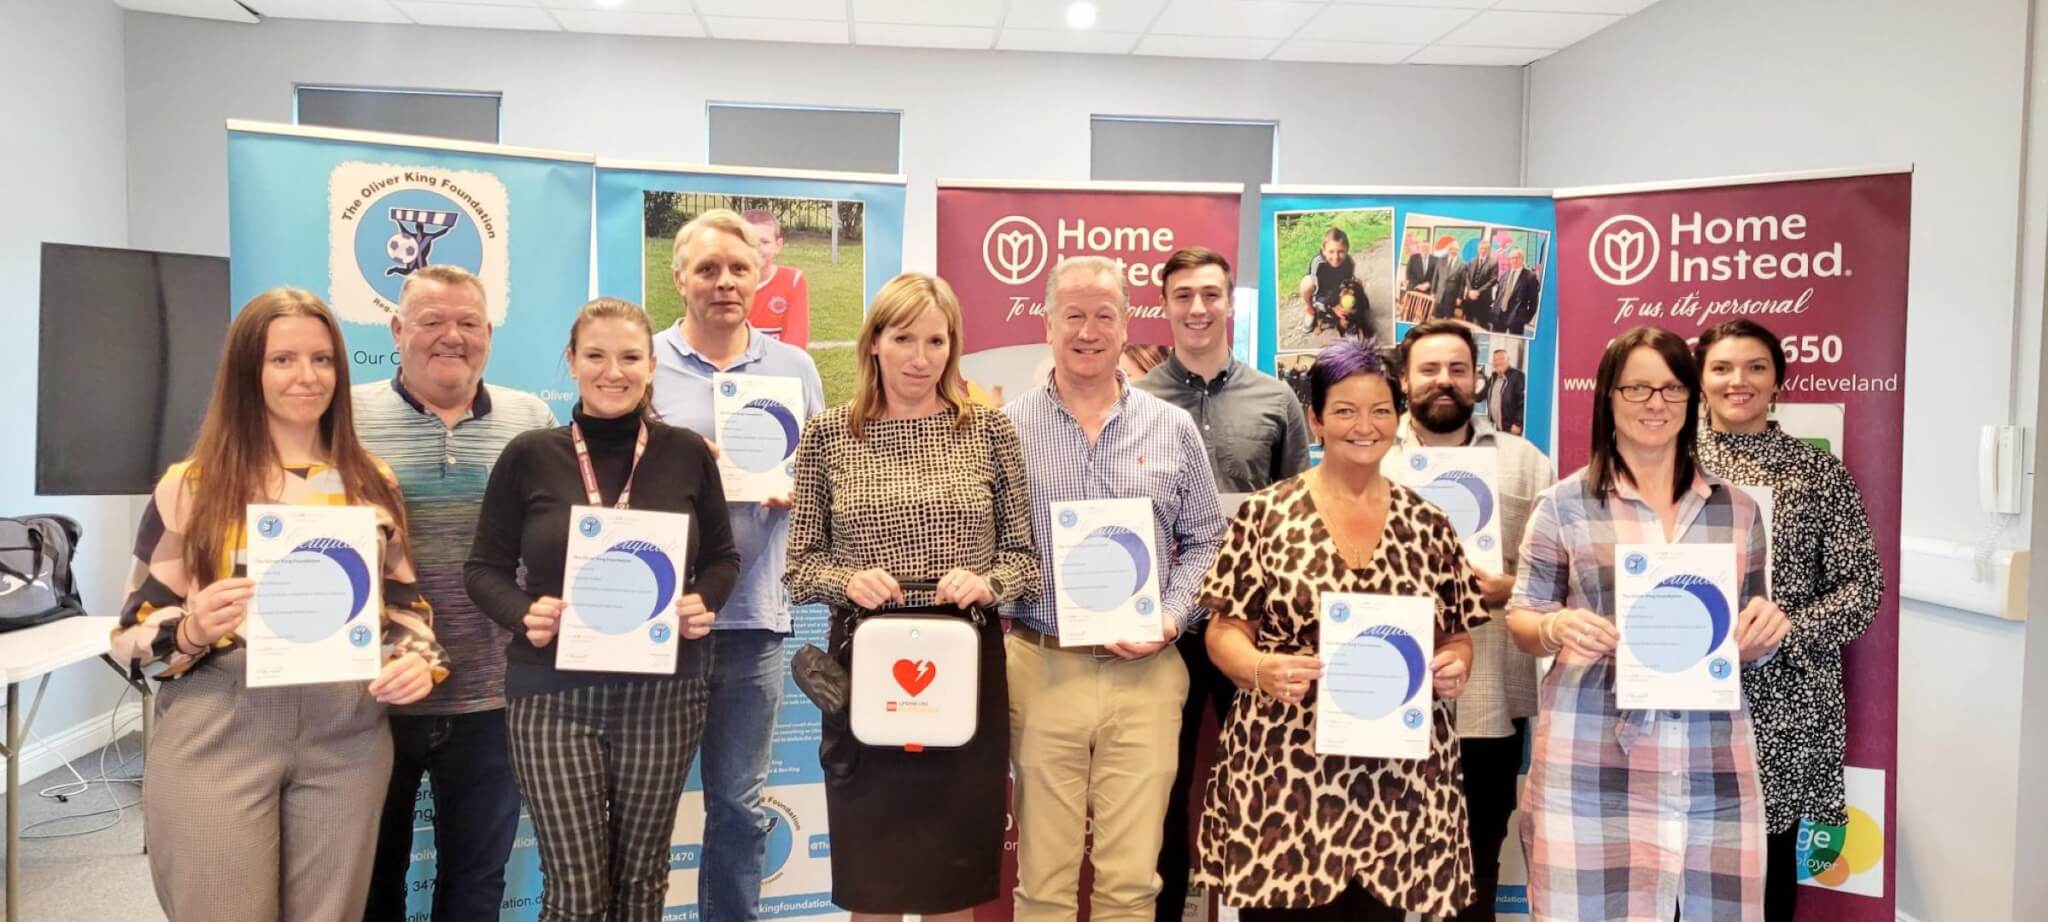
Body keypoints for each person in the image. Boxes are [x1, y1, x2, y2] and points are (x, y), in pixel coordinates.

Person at [111, 287, 446, 921]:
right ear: (248, 371)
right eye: (283, 360)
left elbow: (406, 609)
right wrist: (189, 629)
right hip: (220, 728)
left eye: (322, 360)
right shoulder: (192, 487)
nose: (307, 377)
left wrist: (418, 660)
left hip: (346, 734)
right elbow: (130, 637)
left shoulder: (372, 483)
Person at [465, 297, 740, 922]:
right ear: (571, 361)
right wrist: (522, 612)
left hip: (664, 695)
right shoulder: (531, 454)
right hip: (552, 695)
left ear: (651, 366)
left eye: (629, 357)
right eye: (595, 355)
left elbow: (723, 557)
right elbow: (482, 570)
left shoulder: (686, 454)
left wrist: (706, 601)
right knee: (578, 893)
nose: (612, 371)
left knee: (642, 883)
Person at [1505, 326, 1792, 922]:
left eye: (1670, 389)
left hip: (1708, 759)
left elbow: (1749, 626)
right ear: (1608, 397)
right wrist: (1558, 628)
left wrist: (1764, 630)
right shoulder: (1562, 504)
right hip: (1593, 757)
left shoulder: (1738, 509)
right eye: (1636, 388)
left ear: (1692, 400)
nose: (1655, 404)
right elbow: (1523, 618)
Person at [1194, 336, 1481, 921]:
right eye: (1345, 410)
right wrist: (1259, 668)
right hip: (1285, 775)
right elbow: (1222, 631)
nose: (1364, 425)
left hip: (1399, 785)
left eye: (1380, 410)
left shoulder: (1429, 524)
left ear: (1397, 417)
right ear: (1316, 419)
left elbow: (1455, 635)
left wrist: (1457, 663)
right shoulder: (1266, 515)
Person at [784, 272, 1041, 920]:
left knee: (950, 878)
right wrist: (846, 580)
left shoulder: (989, 431)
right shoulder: (827, 435)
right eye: (904, 338)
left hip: (966, 662)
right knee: (876, 878)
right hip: (865, 667)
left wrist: (987, 582)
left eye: (937, 340)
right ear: (874, 343)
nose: (921, 358)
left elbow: (1025, 561)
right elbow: (798, 567)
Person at [1005, 256, 1227, 922]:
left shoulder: (1171, 427)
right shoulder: (1005, 430)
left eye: (1105, 314)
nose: (1089, 330)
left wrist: (1169, 616)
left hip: (1147, 676)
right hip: (1042, 664)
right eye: (1073, 314)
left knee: (1131, 886)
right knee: (1042, 884)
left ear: (1127, 324)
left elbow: (1208, 540)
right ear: (1047, 325)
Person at [359, 266, 558, 922]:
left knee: (476, 882)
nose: (452, 336)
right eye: (431, 321)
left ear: (490, 335)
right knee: (370, 880)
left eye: (468, 322)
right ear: (396, 330)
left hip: (493, 696)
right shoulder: (346, 418)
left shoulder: (531, 419)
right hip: (372, 694)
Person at [653, 209, 826, 922]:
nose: (724, 283)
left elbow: (821, 477)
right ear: (679, 279)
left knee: (738, 805)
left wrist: (798, 494)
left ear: (761, 276)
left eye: (738, 269)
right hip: (656, 623)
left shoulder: (795, 368)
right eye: (707, 270)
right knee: (644, 803)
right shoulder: (645, 362)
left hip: (753, 617)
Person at [1133, 246, 1311, 922]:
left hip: (1257, 630)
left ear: (1229, 303)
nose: (1198, 308)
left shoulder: (1276, 400)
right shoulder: (1136, 402)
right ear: (1166, 306)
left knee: (1263, 784)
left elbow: (1301, 514)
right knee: (1162, 788)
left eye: (1210, 294)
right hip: (1162, 626)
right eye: (1183, 296)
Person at [1693, 320, 1884, 922]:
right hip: (1680, 693)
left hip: (1784, 701)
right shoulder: (1668, 465)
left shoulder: (1818, 474)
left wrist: (1787, 629)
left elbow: (1864, 588)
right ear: (1700, 380)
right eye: (1722, 367)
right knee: (1677, 864)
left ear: (1778, 381)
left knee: (1766, 870)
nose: (1738, 381)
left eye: (1755, 367)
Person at [1382, 321, 1554, 922]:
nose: (1444, 382)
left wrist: (1510, 588)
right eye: (1429, 369)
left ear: (1479, 378)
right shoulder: (1370, 459)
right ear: (1405, 381)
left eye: (1458, 369)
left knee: (1474, 863)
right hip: (1384, 697)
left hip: (1487, 706)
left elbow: (1560, 577)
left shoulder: (1526, 463)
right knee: (1385, 861)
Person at [741, 209, 810, 349]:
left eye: (764, 242)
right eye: (749, 242)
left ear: (777, 246)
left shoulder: (793, 281)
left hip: (778, 367)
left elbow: (796, 345)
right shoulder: (726, 283)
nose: (756, 249)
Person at [1298, 227, 1356, 335]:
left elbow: (1346, 286)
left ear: (1347, 249)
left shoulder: (1349, 262)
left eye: (1341, 252)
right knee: (1307, 283)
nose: (1336, 257)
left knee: (1357, 284)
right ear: (1323, 250)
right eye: (1331, 252)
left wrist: (1343, 301)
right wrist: (1331, 306)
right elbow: (1318, 293)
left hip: (1337, 290)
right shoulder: (1317, 262)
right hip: (1321, 291)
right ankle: (1310, 310)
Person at [1478, 348, 1526, 436]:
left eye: (1501, 359)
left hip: (1512, 428)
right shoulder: (1493, 378)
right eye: (1495, 359)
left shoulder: (1518, 376)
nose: (1498, 362)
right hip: (1497, 428)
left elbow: (1523, 401)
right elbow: (1480, 397)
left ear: (1508, 360)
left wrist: (1518, 423)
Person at [1493, 250, 1541, 337]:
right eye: (1511, 258)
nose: (1514, 260)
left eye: (1516, 258)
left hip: (1516, 318)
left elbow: (1534, 301)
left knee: (1515, 343)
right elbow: (1498, 294)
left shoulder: (1530, 276)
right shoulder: (1504, 275)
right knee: (1496, 340)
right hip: (1499, 316)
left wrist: (1525, 318)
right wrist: (1495, 310)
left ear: (1522, 259)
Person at [1457, 238, 1500, 329]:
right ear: (1478, 249)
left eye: (1485, 249)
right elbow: (1467, 276)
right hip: (1470, 299)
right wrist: (1470, 290)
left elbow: (1493, 280)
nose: (1483, 250)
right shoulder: (1472, 261)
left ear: (1489, 250)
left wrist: (1478, 292)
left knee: (1482, 324)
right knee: (1467, 323)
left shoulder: (1494, 262)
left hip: (1484, 300)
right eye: (1481, 248)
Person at [1428, 235, 1466, 321]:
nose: (1453, 251)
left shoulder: (1462, 264)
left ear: (1458, 250)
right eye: (1451, 248)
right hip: (1439, 294)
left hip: (1451, 297)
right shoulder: (1441, 260)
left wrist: (1459, 297)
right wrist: (1433, 291)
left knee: (1448, 320)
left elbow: (1462, 283)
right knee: (1436, 318)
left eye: (1455, 249)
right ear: (1448, 249)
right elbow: (1435, 277)